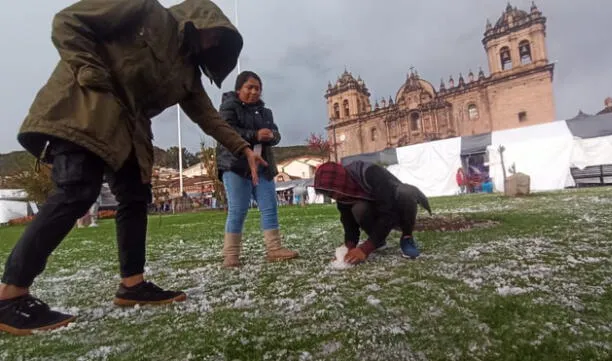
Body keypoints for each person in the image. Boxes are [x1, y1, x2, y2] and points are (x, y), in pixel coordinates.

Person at [0, 0, 267, 336]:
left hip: (129, 130)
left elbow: (209, 117)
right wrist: (87, 69)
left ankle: (132, 284)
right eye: (216, 35)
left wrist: (243, 148)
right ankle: (11, 295)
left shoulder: (188, 73)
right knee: (78, 190)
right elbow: (67, 21)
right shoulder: (145, 11)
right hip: (86, 108)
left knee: (135, 196)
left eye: (220, 43)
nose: (215, 44)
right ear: (200, 18)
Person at [216, 71, 299, 268]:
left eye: (258, 88)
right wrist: (255, 135)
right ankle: (231, 254)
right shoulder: (228, 108)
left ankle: (274, 249)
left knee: (269, 207)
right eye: (249, 87)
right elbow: (226, 132)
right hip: (235, 165)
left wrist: (273, 136)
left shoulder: (265, 112)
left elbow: (276, 134)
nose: (254, 92)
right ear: (239, 89)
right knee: (238, 209)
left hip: (263, 166)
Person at [313, 161, 432, 265]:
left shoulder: (370, 173)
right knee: (358, 208)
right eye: (329, 195)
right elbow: (348, 221)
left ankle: (407, 237)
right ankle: (379, 241)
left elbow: (388, 211)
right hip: (378, 211)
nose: (334, 197)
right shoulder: (343, 192)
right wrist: (348, 248)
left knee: (406, 192)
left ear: (339, 183)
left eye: (332, 193)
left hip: (396, 209)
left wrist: (366, 248)